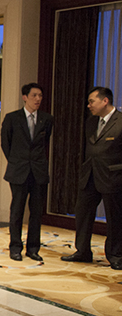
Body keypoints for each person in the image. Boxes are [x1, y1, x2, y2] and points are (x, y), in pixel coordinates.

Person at [63, 86, 122, 270]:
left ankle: (115, 255)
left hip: (113, 177)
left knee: (115, 218)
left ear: (105, 101)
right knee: (82, 213)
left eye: (91, 101)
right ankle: (82, 251)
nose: (88, 105)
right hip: (90, 175)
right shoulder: (91, 122)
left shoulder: (120, 121)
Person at [1, 83, 53, 262]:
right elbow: (6, 143)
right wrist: (16, 161)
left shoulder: (47, 119)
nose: (38, 99)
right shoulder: (12, 118)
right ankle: (15, 247)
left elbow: (45, 142)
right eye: (34, 95)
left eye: (40, 96)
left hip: (38, 171)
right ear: (25, 97)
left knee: (36, 212)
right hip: (19, 170)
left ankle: (33, 248)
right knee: (17, 210)